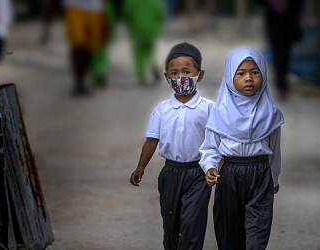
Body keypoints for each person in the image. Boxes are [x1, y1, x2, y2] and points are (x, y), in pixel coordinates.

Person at [129, 42, 214, 250]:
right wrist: (141, 166)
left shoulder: (209, 109)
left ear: (199, 75)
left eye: (187, 71)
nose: (180, 77)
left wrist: (218, 166)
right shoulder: (161, 110)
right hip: (170, 174)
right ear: (167, 77)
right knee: (171, 228)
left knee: (192, 223)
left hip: (199, 174)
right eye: (174, 73)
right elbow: (151, 140)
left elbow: (218, 141)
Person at [199, 47, 285, 250]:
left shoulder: (270, 113)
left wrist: (273, 178)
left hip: (260, 174)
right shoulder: (219, 113)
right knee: (229, 232)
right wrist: (210, 167)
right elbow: (210, 147)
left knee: (258, 231)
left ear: (264, 74)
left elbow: (274, 150)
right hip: (229, 175)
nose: (249, 78)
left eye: (255, 72)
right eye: (241, 73)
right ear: (229, 77)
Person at [260, 0, 303, 100]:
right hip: (284, 23)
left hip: (280, 23)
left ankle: (282, 86)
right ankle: (282, 87)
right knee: (282, 55)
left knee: (280, 55)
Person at [122, 0, 164, 86]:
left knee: (138, 55)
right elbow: (160, 13)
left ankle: (142, 78)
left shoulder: (131, 2)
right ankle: (152, 64)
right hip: (151, 29)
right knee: (149, 51)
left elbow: (127, 14)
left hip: (137, 29)